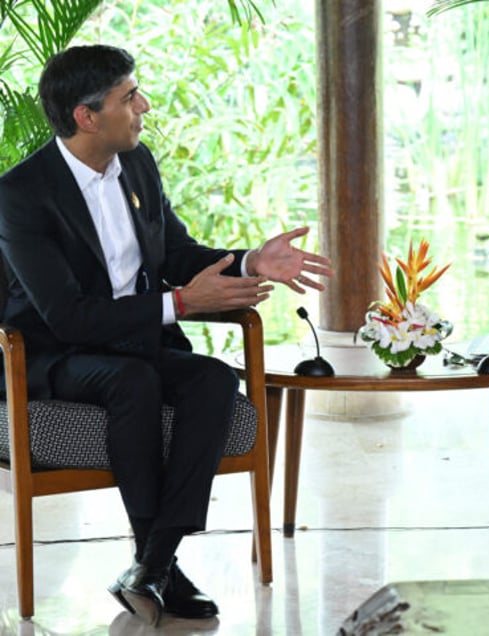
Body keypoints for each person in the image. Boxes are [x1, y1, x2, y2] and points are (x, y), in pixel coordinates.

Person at [0, 45, 333, 625]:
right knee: (133, 381)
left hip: (135, 345)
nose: (144, 106)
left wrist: (253, 260)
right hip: (55, 354)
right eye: (130, 97)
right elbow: (68, 317)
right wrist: (179, 304)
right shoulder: (20, 195)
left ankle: (152, 564)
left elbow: (175, 253)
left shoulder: (138, 163)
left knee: (209, 378)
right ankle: (160, 568)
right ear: (87, 116)